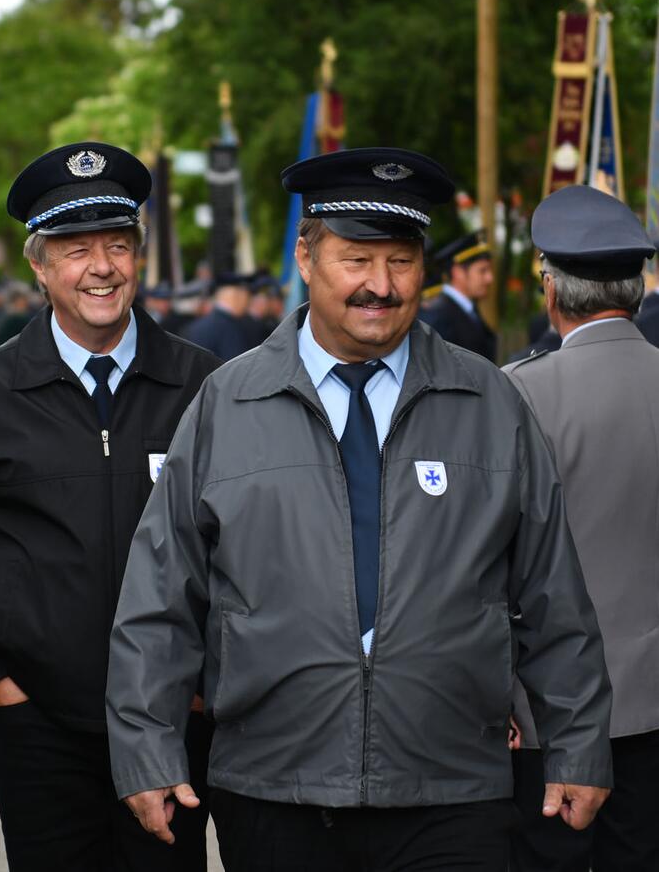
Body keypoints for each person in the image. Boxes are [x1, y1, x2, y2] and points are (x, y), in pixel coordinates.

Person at [107, 147, 614, 872]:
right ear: (307, 257)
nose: (380, 285)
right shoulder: (230, 400)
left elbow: (550, 591)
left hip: (451, 788)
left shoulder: (490, 401)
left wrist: (579, 741)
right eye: (357, 259)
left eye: (401, 261)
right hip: (275, 785)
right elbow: (161, 591)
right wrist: (147, 747)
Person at [0, 141, 221, 872]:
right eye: (76, 248)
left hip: (173, 723)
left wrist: (209, 682)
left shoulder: (206, 385)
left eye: (118, 245)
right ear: (39, 265)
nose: (101, 267)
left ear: (139, 255)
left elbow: (242, 547)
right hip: (40, 730)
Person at [503, 184, 659, 872]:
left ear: (551, 290)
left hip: (550, 714)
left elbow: (491, 563)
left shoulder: (521, 392)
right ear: (638, 286)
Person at [419, 229, 498, 360]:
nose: (490, 278)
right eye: (482, 271)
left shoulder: (466, 310)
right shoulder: (438, 316)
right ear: (458, 273)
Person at [183, 273, 257, 359]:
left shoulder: (195, 327)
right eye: (247, 296)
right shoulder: (230, 327)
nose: (248, 302)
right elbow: (238, 367)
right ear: (236, 296)